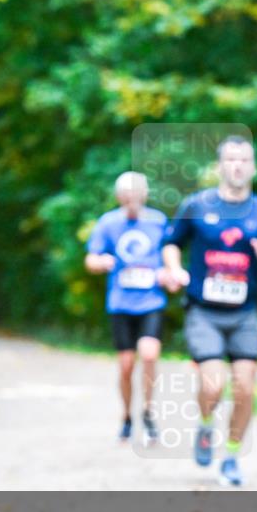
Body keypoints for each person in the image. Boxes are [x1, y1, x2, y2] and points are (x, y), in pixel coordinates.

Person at [162, 136, 257, 487]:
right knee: (214, 385)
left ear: (253, 167)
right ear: (219, 166)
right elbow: (171, 243)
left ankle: (231, 456)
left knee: (246, 389)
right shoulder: (197, 204)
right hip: (203, 311)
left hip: (245, 314)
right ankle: (205, 425)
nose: (237, 166)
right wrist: (173, 269)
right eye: (230, 159)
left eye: (244, 160)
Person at [85, 172, 167, 442]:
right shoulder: (108, 223)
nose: (132, 199)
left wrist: (169, 273)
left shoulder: (158, 221)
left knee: (150, 354)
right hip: (121, 302)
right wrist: (101, 262)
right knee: (126, 365)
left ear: (144, 194)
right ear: (119, 197)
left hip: (151, 300)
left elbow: (170, 253)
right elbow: (91, 258)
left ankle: (148, 411)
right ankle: (127, 415)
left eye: (137, 193)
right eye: (126, 195)